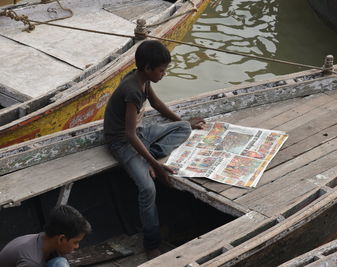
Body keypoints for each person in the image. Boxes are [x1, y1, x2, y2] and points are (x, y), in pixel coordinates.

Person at [103, 40, 205, 259]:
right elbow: (129, 135)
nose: (163, 74)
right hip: (121, 142)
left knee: (184, 128)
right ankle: (151, 243)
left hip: (138, 135)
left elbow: (158, 105)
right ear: (148, 68)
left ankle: (147, 154)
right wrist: (154, 165)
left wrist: (183, 122)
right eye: (161, 70)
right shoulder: (132, 91)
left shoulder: (142, 81)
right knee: (148, 188)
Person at [0, 205, 91, 267]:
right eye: (75, 242)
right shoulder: (31, 261)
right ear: (61, 239)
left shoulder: (45, 241)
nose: (77, 246)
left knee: (60, 263)